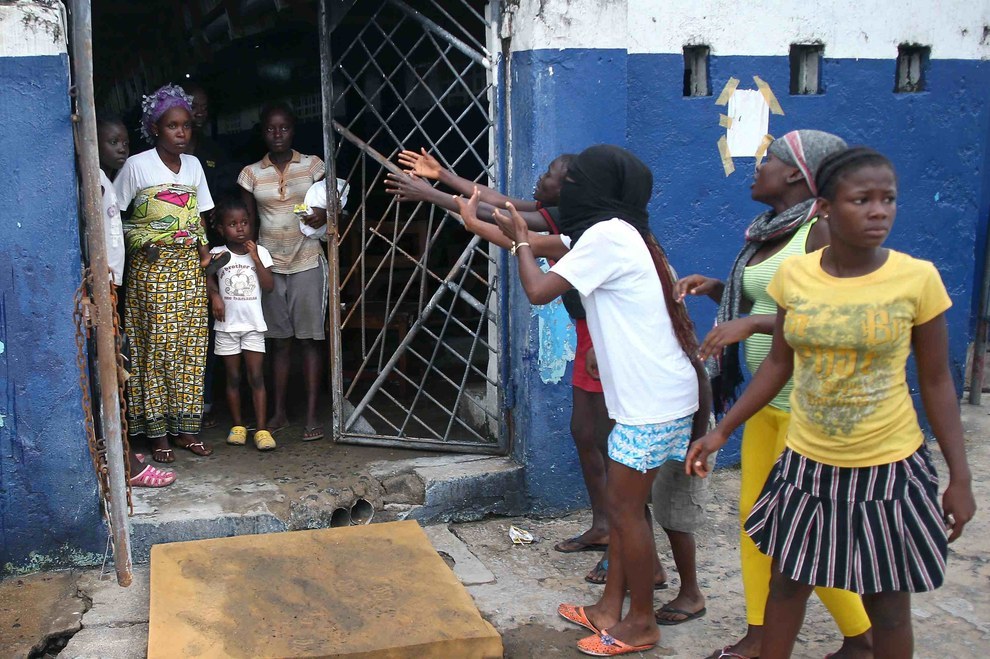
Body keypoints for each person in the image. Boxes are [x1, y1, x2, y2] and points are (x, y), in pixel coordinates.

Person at [688, 147, 977, 659]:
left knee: (887, 608)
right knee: (786, 588)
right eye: (861, 199)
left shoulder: (917, 279)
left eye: (888, 200)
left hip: (888, 469)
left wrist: (961, 476)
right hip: (806, 467)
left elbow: (936, 383)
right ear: (824, 206)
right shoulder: (796, 277)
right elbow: (780, 364)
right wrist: (722, 430)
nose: (878, 211)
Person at [459, 144, 712, 656]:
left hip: (653, 400)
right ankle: (608, 608)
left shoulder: (607, 235)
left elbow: (538, 289)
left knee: (625, 510)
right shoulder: (618, 231)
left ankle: (641, 623)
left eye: (573, 180)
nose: (564, 186)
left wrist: (520, 246)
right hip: (653, 392)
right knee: (627, 510)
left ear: (595, 189)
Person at [676, 130, 872, 658]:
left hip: (810, 407)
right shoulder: (768, 233)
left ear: (795, 173)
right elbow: (777, 297)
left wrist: (752, 322)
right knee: (757, 524)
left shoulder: (820, 230)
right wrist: (720, 291)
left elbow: (836, 312)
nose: (756, 167)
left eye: (768, 159)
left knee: (805, 533)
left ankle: (862, 636)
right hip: (768, 402)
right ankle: (762, 632)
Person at [388, 152, 630, 570]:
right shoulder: (561, 216)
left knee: (608, 444)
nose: (539, 178)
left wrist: (433, 194)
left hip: (603, 339)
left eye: (550, 174)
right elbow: (505, 208)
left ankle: (624, 543)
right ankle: (604, 525)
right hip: (590, 334)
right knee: (584, 434)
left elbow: (502, 217)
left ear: (569, 188)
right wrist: (444, 177)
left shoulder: (578, 227)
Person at [114, 84, 216, 462]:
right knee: (155, 349)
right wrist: (145, 239)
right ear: (155, 128)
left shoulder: (193, 166)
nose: (181, 133)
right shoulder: (137, 166)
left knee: (190, 347)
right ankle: (157, 434)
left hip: (188, 271)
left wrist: (205, 259)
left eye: (187, 126)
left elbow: (200, 217)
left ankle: (187, 430)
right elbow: (116, 219)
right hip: (152, 272)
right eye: (173, 126)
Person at [238, 102, 328, 440]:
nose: (278, 135)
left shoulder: (313, 166)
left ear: (294, 130)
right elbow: (246, 224)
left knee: (310, 341)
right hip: (269, 264)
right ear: (262, 132)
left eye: (284, 128)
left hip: (306, 259)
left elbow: (335, 204)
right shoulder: (251, 173)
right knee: (279, 343)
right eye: (271, 129)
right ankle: (278, 412)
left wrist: (325, 215)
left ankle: (311, 416)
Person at [98, 114, 176, 487]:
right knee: (113, 371)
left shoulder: (105, 183)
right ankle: (126, 462)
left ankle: (121, 449)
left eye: (125, 141)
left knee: (118, 366)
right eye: (113, 142)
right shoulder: (96, 184)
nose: (122, 148)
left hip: (110, 286)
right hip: (99, 288)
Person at [208, 197, 276, 451]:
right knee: (233, 378)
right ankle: (237, 426)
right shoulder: (217, 254)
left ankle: (261, 430)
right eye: (232, 224)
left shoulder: (261, 252)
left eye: (244, 223)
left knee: (256, 377)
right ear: (221, 229)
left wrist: (255, 257)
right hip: (226, 327)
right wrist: (215, 296)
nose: (240, 228)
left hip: (253, 326)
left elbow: (269, 287)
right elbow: (208, 278)